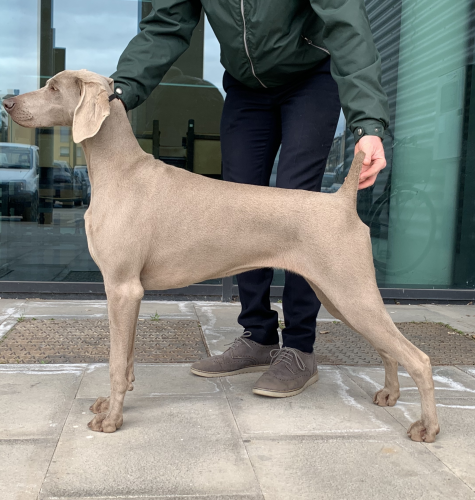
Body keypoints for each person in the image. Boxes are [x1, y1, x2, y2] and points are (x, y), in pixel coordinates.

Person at [110, 0, 389, 398]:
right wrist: (119, 91)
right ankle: (258, 336)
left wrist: (367, 122)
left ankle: (298, 348)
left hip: (310, 78)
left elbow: (346, 24)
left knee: (299, 211)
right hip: (246, 87)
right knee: (234, 212)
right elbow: (167, 23)